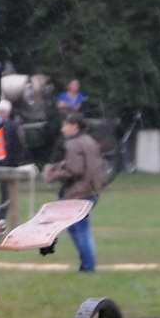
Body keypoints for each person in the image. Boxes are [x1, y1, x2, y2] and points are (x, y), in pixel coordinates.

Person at [43, 113, 105, 271]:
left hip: (79, 192)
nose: (62, 128)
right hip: (92, 190)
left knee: (79, 230)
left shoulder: (73, 144)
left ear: (75, 126)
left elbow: (75, 171)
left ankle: (88, 266)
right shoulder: (89, 140)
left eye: (65, 125)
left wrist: (55, 175)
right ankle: (88, 264)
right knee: (80, 228)